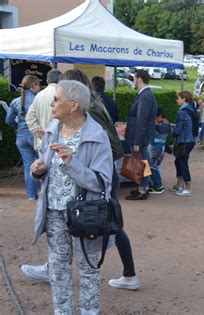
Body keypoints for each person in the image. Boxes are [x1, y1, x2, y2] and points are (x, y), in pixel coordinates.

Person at [21, 69, 141, 291]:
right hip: (106, 166)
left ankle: (127, 273)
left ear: (74, 99)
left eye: (60, 94)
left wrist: (72, 161)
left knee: (104, 219)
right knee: (105, 219)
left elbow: (96, 145)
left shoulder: (88, 113)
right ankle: (126, 273)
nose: (55, 99)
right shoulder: (94, 105)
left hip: (102, 169)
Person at [30, 80, 113, 314]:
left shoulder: (97, 136)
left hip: (85, 215)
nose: (52, 104)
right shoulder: (52, 129)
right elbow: (45, 166)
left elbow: (102, 182)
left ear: (74, 105)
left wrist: (72, 164)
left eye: (56, 100)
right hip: (54, 214)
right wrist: (38, 170)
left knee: (88, 269)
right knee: (58, 271)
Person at [5, 75, 42, 200]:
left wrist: (18, 127)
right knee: (41, 164)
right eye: (38, 84)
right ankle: (42, 193)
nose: (40, 87)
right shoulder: (38, 100)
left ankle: (31, 195)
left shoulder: (16, 101)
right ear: (33, 86)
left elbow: (8, 120)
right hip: (35, 135)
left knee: (28, 165)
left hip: (21, 137)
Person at [124, 69, 158, 201]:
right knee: (144, 163)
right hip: (142, 136)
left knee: (143, 163)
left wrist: (137, 141)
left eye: (134, 79)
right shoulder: (145, 94)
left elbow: (141, 120)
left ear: (139, 79)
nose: (133, 81)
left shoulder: (145, 96)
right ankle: (142, 188)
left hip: (141, 138)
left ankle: (142, 190)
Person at [26, 69, 62, 151]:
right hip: (59, 142)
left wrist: (37, 130)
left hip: (42, 141)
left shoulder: (39, 95)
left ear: (47, 81)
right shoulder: (64, 94)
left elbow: (29, 117)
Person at [170, 91, 197, 196]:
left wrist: (172, 131)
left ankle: (187, 187)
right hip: (191, 140)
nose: (177, 100)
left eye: (178, 98)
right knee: (179, 161)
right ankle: (179, 184)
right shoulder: (192, 109)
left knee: (182, 163)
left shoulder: (182, 111)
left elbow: (178, 129)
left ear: (184, 99)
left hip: (184, 141)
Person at [146, 107, 172, 194]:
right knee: (154, 167)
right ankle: (158, 185)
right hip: (160, 148)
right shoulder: (166, 125)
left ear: (159, 116)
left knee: (151, 167)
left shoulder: (160, 126)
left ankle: (158, 186)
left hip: (155, 148)